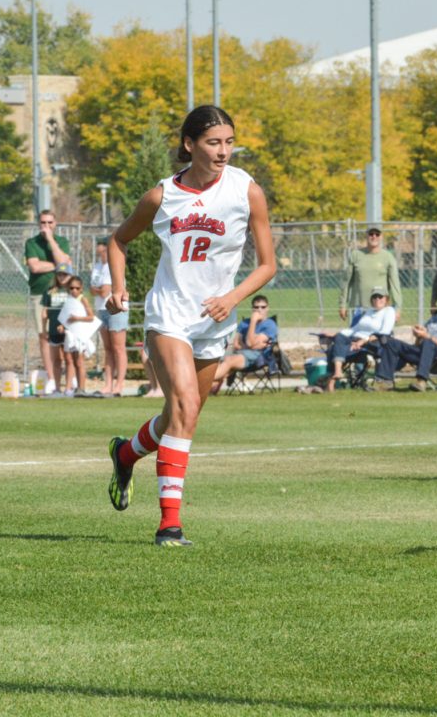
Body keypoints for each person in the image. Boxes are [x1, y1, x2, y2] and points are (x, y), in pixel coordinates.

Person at [105, 105, 277, 547]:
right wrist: (119, 288)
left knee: (182, 415)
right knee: (182, 403)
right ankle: (169, 525)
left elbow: (267, 264)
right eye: (213, 142)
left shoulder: (246, 190)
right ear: (189, 145)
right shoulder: (163, 196)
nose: (223, 152)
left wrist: (231, 298)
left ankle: (126, 454)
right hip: (170, 314)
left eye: (229, 142)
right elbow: (119, 240)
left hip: (215, 320)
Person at [376, 288, 437, 392]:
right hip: (424, 355)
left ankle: (421, 381)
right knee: (391, 342)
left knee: (429, 342)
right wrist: (418, 335)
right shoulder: (435, 318)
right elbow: (419, 342)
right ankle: (386, 381)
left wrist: (428, 337)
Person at [26, 210, 73, 387]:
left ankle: (68, 379)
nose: (46, 226)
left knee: (65, 334)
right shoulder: (32, 242)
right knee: (44, 335)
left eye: (49, 223)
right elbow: (35, 267)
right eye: (43, 223)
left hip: (62, 294)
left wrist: (51, 241)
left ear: (55, 224)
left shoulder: (62, 242)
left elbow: (66, 263)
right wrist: (58, 265)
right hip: (40, 294)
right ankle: (51, 379)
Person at [323, 287, 395, 392]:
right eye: (374, 297)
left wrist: (363, 341)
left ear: (387, 299)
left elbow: (384, 332)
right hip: (355, 339)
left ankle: (331, 381)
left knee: (334, 349)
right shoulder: (369, 311)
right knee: (338, 338)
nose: (377, 299)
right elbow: (355, 329)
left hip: (372, 342)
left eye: (380, 297)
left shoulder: (389, 311)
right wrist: (335, 334)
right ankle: (338, 372)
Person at [209, 294, 280, 395]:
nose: (259, 310)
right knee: (224, 363)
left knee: (228, 361)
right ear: (252, 308)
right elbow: (236, 344)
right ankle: (212, 386)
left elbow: (250, 343)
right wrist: (252, 344)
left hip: (260, 357)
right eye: (256, 307)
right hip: (241, 354)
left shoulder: (270, 324)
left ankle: (204, 379)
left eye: (263, 307)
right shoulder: (244, 323)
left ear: (267, 308)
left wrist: (253, 321)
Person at [339, 225, 402, 323]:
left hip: (380, 308)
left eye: (377, 234)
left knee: (379, 337)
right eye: (371, 234)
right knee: (356, 337)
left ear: (381, 237)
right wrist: (342, 304)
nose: (374, 237)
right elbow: (346, 282)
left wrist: (397, 308)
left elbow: (395, 285)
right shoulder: (355, 255)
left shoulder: (388, 257)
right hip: (358, 308)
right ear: (367, 236)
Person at [91, 238, 129, 396]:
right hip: (101, 309)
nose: (102, 255)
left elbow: (105, 291)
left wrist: (99, 289)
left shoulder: (112, 267)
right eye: (100, 252)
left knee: (118, 348)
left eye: (104, 251)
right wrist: (99, 289)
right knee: (107, 349)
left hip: (117, 308)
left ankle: (119, 385)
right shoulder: (97, 267)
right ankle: (108, 384)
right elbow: (93, 290)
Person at [58, 274, 100, 397]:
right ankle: (74, 387)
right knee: (71, 360)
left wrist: (77, 318)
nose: (74, 291)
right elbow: (66, 317)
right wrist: (63, 326)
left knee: (79, 361)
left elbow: (91, 317)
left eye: (77, 288)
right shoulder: (69, 300)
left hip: (80, 334)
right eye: (71, 288)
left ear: (81, 289)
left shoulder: (83, 299)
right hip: (71, 333)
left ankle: (81, 388)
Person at [40, 262, 74, 395]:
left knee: (69, 359)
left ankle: (69, 387)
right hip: (54, 329)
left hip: (68, 330)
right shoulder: (50, 291)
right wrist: (44, 329)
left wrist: (66, 326)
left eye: (65, 274)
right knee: (56, 360)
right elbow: (45, 312)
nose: (62, 277)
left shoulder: (73, 291)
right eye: (59, 274)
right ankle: (57, 387)